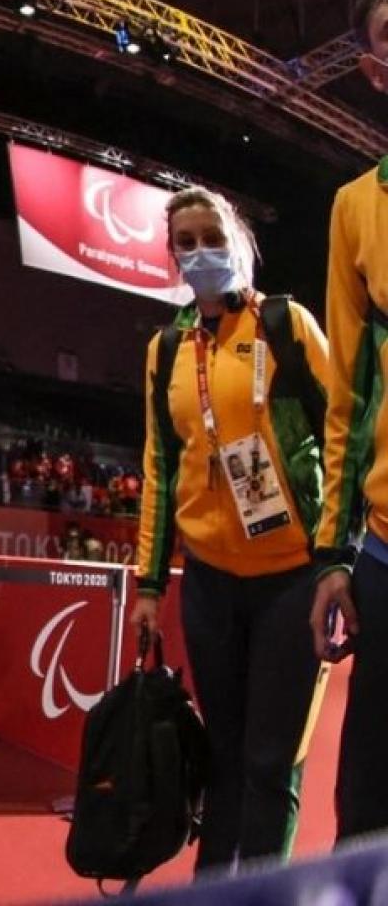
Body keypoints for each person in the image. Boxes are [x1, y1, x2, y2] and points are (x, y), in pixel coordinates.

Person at [129, 186, 329, 873]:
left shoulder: (286, 325)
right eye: (184, 242)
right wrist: (150, 584)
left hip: (292, 578)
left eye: (210, 236)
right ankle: (213, 888)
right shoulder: (166, 350)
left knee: (271, 760)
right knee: (223, 754)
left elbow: (344, 433)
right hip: (210, 582)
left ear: (237, 239)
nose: (198, 252)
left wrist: (338, 558)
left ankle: (267, 890)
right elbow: (159, 465)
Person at [309, 0, 388, 845]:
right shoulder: (355, 211)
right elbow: (348, 397)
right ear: (373, 69)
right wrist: (335, 555)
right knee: (369, 807)